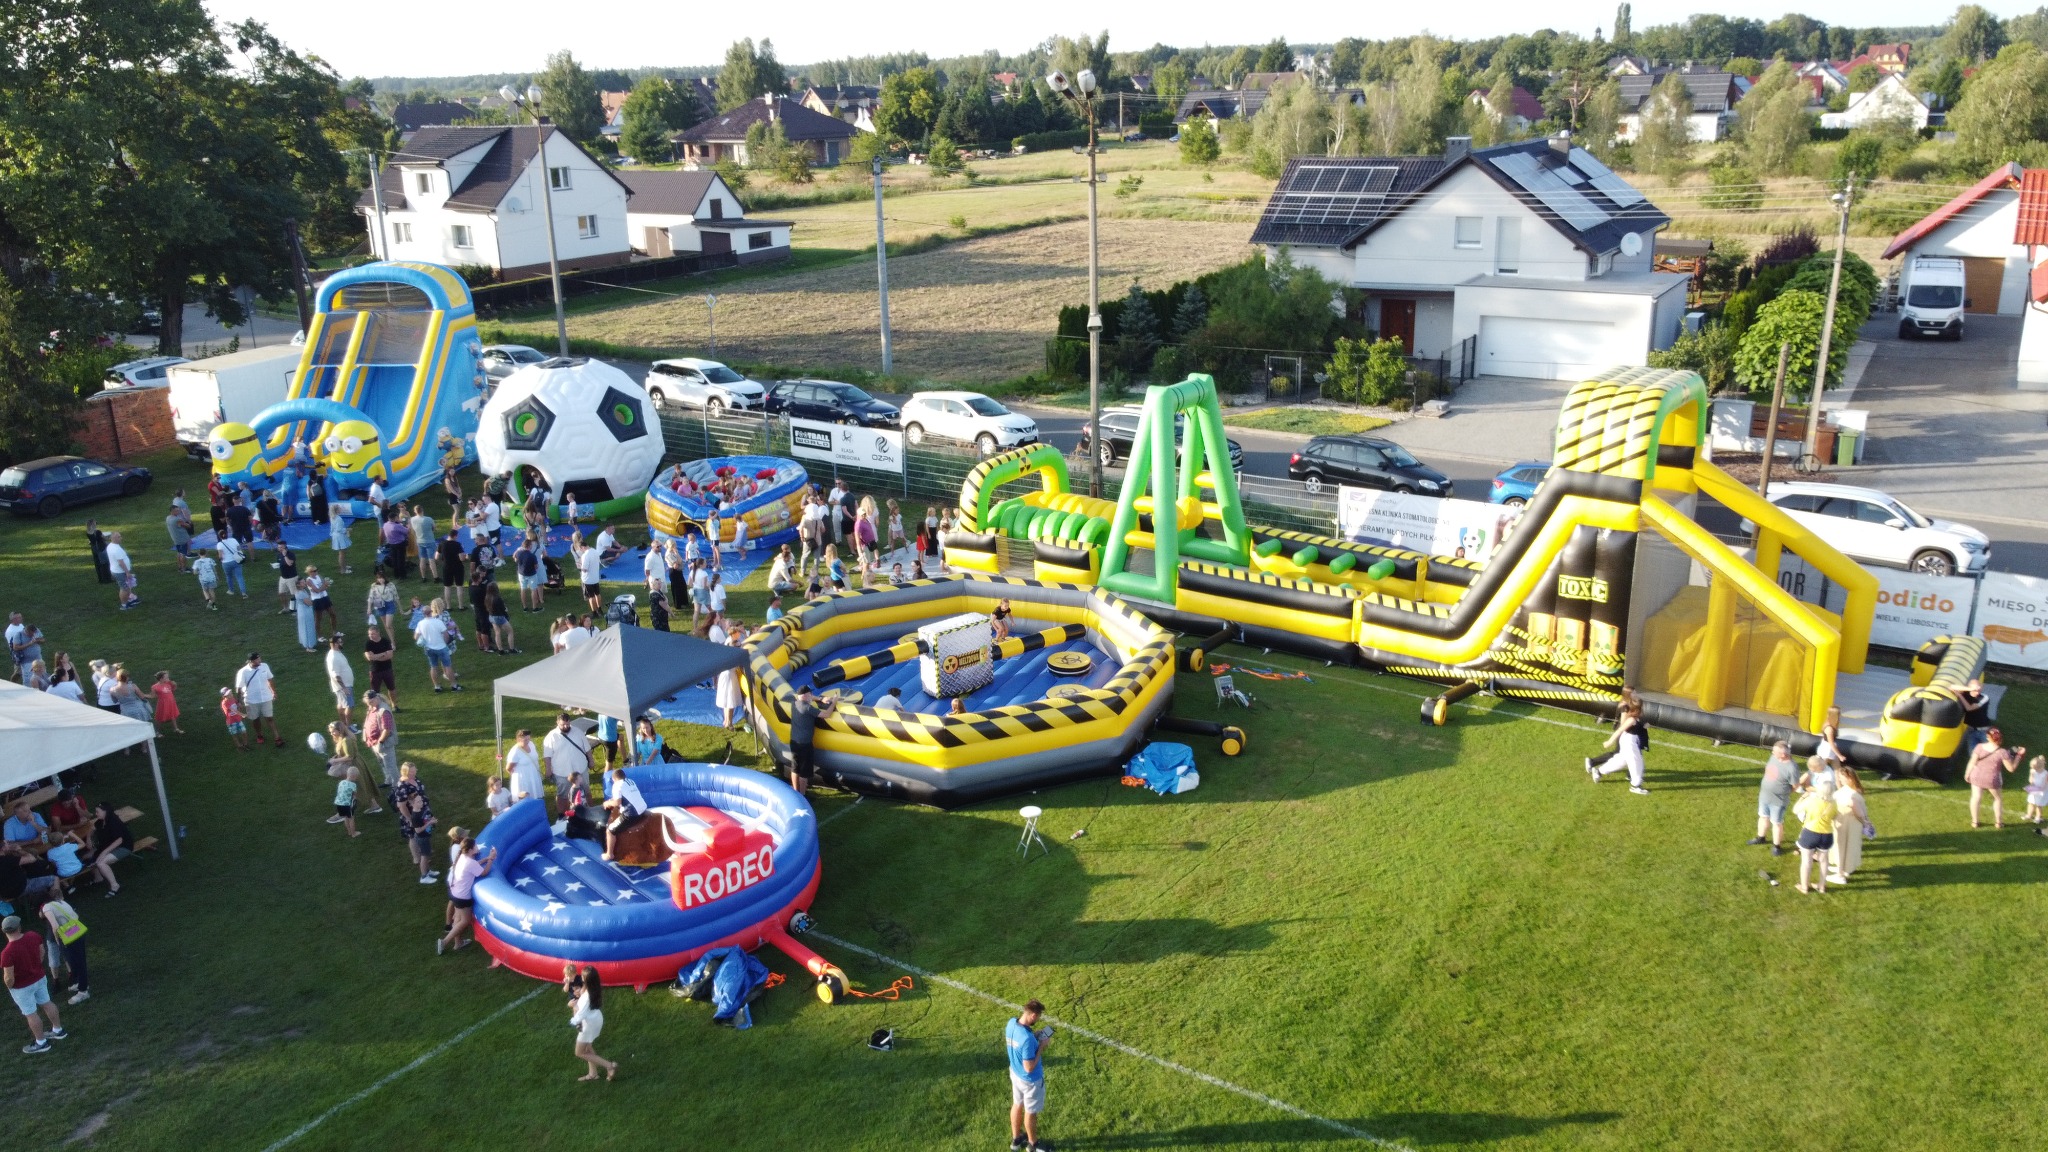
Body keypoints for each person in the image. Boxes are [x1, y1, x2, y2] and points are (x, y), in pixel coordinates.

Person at [2, 915, 66, 1054]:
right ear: (19, 927)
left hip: (22, 986)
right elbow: (41, 952)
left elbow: (8, 976)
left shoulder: (7, 953)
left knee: (30, 1013)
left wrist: (10, 986)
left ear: (4, 931)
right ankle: (58, 1030)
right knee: (47, 1003)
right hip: (39, 977)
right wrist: (36, 966)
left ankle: (41, 1042)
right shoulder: (33, 935)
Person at [1006, 999, 1053, 1152]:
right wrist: (1041, 1046)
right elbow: (1029, 1067)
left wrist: (1035, 1036)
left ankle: (1016, 1139)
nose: (1038, 1019)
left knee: (1017, 1104)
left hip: (1015, 1074)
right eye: (1038, 1017)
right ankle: (1033, 1144)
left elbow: (1021, 1040)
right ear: (1033, 1015)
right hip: (1030, 1081)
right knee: (1030, 1112)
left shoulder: (1012, 1023)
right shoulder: (1026, 1040)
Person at [438, 836, 496, 954]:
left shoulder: (462, 857)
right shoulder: (469, 862)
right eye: (475, 846)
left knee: (458, 918)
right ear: (470, 850)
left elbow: (474, 865)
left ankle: (458, 943)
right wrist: (491, 859)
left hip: (454, 893)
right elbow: (484, 872)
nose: (477, 847)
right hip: (462, 897)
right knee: (465, 920)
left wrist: (486, 858)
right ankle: (444, 942)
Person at [1965, 728, 2025, 830]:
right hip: (1991, 779)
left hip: (1976, 776)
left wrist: (1967, 774)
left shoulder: (1979, 747)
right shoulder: (2002, 752)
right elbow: (2011, 768)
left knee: (1976, 798)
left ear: (1988, 737)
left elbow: (1972, 762)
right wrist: (2019, 756)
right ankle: (1998, 823)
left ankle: (1975, 822)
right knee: (1997, 799)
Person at [1586, 702, 1650, 795]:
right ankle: (1635, 786)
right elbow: (1620, 730)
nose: (1642, 711)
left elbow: (1638, 728)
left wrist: (1644, 726)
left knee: (1620, 762)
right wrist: (1609, 742)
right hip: (1629, 744)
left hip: (1630, 743)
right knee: (1636, 763)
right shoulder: (1631, 720)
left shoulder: (1637, 719)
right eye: (1640, 709)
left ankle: (1599, 771)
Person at [1748, 741, 1798, 856]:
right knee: (1763, 817)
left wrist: (1784, 793)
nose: (1772, 752)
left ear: (1783, 755)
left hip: (1778, 801)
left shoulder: (1791, 768)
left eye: (1775, 751)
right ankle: (1761, 837)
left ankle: (1777, 846)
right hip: (1764, 796)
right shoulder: (1774, 757)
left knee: (1776, 823)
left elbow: (1795, 786)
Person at [1792, 780, 1842, 895]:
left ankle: (1804, 887)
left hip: (1810, 833)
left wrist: (1802, 798)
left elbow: (1795, 810)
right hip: (1826, 835)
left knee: (1806, 861)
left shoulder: (1812, 801)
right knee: (1824, 861)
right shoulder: (1834, 804)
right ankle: (1822, 886)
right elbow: (1835, 817)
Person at [37, 896, 88, 1005]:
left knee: (76, 963)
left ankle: (83, 991)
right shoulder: (60, 902)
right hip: (78, 931)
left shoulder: (46, 908)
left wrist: (58, 939)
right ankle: (81, 984)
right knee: (79, 961)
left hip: (68, 937)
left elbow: (54, 926)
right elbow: (75, 915)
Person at [392, 763, 438, 885]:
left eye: (414, 771)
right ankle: (417, 857)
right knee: (413, 835)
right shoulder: (402, 786)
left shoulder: (414, 779)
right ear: (405, 772)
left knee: (425, 835)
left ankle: (425, 852)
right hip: (413, 815)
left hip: (422, 811)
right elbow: (401, 805)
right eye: (411, 772)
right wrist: (409, 819)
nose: (414, 773)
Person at [569, 967, 617, 1081]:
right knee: (588, 1047)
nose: (581, 976)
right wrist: (578, 994)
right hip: (593, 1020)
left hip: (588, 1024)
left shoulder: (587, 997)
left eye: (583, 976)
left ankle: (609, 1066)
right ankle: (593, 1074)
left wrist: (572, 1008)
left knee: (579, 1052)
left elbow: (580, 1014)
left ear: (587, 979)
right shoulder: (591, 988)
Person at [543, 713, 592, 815]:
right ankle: (562, 815)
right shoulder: (551, 736)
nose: (565, 727)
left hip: (580, 768)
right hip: (562, 772)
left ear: (570, 721)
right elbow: (547, 756)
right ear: (557, 723)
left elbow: (587, 748)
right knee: (562, 794)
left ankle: (590, 811)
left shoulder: (578, 732)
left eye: (567, 724)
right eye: (562, 725)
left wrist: (591, 760)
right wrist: (548, 769)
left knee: (586, 791)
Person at [1828, 766, 1870, 883]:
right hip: (1852, 823)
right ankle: (1845, 868)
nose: (1840, 780)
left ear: (1849, 778)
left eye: (1842, 778)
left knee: (1842, 847)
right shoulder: (1856, 790)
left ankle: (1840, 874)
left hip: (1846, 822)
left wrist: (1865, 822)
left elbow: (1858, 811)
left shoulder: (1849, 794)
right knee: (1849, 846)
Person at [787, 687, 831, 795]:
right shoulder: (807, 708)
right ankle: (802, 796)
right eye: (810, 694)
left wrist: (820, 699)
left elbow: (806, 697)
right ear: (807, 695)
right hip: (805, 744)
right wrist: (833, 702)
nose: (812, 695)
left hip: (794, 742)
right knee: (804, 772)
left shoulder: (794, 704)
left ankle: (795, 791)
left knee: (795, 768)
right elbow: (827, 714)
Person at [414, 599, 462, 693]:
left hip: (429, 648)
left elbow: (416, 637)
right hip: (441, 647)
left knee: (433, 667)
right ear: (430, 612)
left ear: (423, 613)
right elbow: (446, 634)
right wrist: (444, 643)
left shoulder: (420, 623)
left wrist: (423, 639)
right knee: (448, 666)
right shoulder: (438, 622)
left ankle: (437, 687)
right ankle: (454, 685)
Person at [601, 767, 647, 861]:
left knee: (610, 830)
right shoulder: (630, 781)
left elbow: (617, 803)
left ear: (614, 779)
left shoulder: (617, 785)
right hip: (643, 809)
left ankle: (609, 854)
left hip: (632, 814)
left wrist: (607, 803)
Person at [362, 692, 399, 797]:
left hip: (384, 743)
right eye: (367, 703)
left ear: (376, 698)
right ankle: (388, 780)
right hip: (374, 742)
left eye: (371, 702)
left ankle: (396, 786)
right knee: (382, 763)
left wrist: (380, 742)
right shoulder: (372, 707)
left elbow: (386, 730)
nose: (369, 704)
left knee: (390, 765)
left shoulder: (384, 711)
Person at [503, 729, 547, 815]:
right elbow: (508, 767)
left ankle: (535, 812)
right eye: (525, 740)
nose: (527, 741)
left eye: (528, 739)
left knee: (535, 795)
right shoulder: (515, 751)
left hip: (533, 774)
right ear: (518, 740)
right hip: (523, 778)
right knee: (524, 799)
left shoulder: (531, 744)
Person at [361, 626, 399, 713]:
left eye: (373, 634)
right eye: (369, 634)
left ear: (378, 633)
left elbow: (390, 656)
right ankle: (376, 707)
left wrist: (375, 656)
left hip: (387, 669)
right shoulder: (368, 643)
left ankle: (394, 705)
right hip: (375, 670)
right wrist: (383, 654)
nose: (371, 636)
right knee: (375, 691)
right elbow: (369, 657)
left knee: (391, 688)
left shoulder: (385, 641)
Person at [324, 633, 355, 725]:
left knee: (341, 706)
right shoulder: (333, 657)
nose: (342, 643)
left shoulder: (337, 653)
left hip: (343, 685)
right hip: (343, 686)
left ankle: (343, 724)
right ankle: (348, 727)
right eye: (340, 642)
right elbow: (336, 674)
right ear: (335, 644)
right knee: (349, 706)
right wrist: (344, 687)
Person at [7, 614, 44, 684]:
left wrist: (38, 640)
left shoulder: (36, 631)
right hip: (27, 662)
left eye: (34, 633)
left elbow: (43, 640)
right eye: (31, 634)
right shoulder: (18, 635)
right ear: (27, 631)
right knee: (28, 680)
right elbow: (15, 647)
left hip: (38, 658)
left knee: (42, 677)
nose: (33, 635)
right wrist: (30, 643)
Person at [105, 531, 137, 610]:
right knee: (124, 588)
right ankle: (124, 605)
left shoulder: (111, 546)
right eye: (118, 537)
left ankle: (129, 599)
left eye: (120, 536)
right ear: (113, 538)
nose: (121, 538)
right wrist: (127, 572)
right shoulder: (116, 549)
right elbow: (121, 563)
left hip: (116, 570)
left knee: (126, 586)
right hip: (120, 572)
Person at [436, 531, 467, 610]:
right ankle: (461, 606)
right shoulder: (457, 544)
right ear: (455, 536)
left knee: (447, 587)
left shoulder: (441, 544)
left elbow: (436, 557)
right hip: (458, 567)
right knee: (459, 586)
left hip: (446, 567)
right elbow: (461, 558)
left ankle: (449, 606)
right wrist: (465, 557)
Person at [483, 582, 517, 654]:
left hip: (491, 617)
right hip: (499, 617)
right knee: (510, 632)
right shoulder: (498, 598)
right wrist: (506, 610)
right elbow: (503, 609)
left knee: (497, 633)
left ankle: (500, 650)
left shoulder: (487, 597)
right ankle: (512, 649)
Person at [292, 566, 320, 652]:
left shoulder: (301, 591)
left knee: (305, 627)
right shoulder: (301, 593)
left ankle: (307, 644)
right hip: (305, 611)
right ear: (299, 584)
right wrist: (312, 598)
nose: (304, 583)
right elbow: (309, 603)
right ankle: (309, 646)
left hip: (303, 610)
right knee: (308, 628)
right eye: (303, 582)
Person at [516, 534, 545, 612]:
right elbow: (536, 567)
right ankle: (534, 607)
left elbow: (515, 559)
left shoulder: (519, 553)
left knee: (523, 589)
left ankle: (525, 607)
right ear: (529, 546)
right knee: (533, 590)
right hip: (531, 574)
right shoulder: (532, 556)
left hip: (521, 573)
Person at [575, 538, 604, 615]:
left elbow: (584, 569)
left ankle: (594, 612)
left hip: (588, 579)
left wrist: (580, 566)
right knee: (598, 594)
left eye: (581, 549)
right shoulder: (595, 551)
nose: (581, 551)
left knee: (591, 597)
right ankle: (600, 609)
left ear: (582, 547)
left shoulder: (585, 555)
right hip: (595, 577)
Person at [408, 505, 437, 582]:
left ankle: (423, 577)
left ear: (415, 511)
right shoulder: (428, 519)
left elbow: (411, 530)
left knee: (422, 559)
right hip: (430, 540)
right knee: (431, 560)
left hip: (420, 541)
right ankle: (435, 577)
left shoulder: (412, 519)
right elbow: (434, 528)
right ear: (422, 510)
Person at [216, 532, 249, 599]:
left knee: (229, 576)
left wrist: (220, 560)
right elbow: (239, 548)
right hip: (236, 560)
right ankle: (244, 593)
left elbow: (220, 556)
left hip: (226, 563)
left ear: (219, 537)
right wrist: (240, 554)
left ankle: (231, 590)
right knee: (239, 577)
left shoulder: (219, 544)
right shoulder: (233, 540)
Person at [165, 500, 192, 573]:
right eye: (177, 511)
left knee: (179, 553)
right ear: (173, 511)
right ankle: (184, 569)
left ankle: (180, 567)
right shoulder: (177, 519)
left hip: (176, 539)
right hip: (182, 539)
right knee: (183, 554)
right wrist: (188, 522)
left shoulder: (168, 518)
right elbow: (188, 526)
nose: (179, 512)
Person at [219, 688, 250, 752]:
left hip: (238, 719)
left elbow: (237, 704)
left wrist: (240, 705)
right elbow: (234, 710)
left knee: (244, 732)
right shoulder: (224, 703)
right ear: (224, 696)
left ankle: (245, 744)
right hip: (231, 722)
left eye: (231, 693)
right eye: (228, 694)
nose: (231, 694)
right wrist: (242, 714)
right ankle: (239, 747)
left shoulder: (233, 699)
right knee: (235, 735)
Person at [327, 505, 352, 574]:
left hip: (336, 536)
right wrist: (347, 529)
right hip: (340, 537)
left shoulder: (332, 517)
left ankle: (344, 566)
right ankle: (343, 570)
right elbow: (339, 529)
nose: (341, 509)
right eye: (340, 508)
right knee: (342, 554)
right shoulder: (338, 518)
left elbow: (333, 528)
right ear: (337, 510)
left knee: (342, 553)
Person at [2025, 755, 2048, 827]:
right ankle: (2029, 814)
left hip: (2042, 790)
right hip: (2034, 789)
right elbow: (2031, 780)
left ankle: (2038, 817)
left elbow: (2046, 782)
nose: (2034, 769)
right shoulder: (2032, 771)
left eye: (2035, 768)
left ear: (2040, 767)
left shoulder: (2045, 773)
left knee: (2039, 804)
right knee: (2031, 802)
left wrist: (2042, 788)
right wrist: (2031, 781)